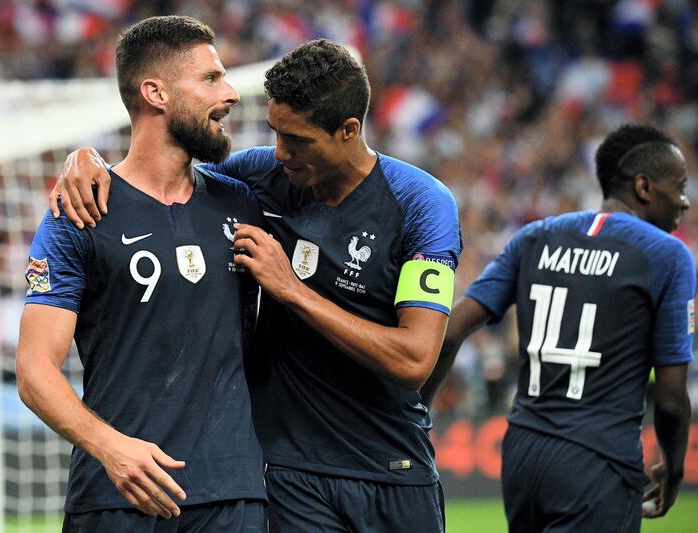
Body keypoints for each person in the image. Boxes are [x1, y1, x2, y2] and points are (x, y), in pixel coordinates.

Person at [49, 39, 462, 532]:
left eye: (299, 140)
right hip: (288, 473)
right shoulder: (261, 174)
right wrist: (88, 159)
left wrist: (290, 289)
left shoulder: (420, 204)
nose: (281, 152)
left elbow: (415, 359)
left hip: (392, 464)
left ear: (349, 130)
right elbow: (161, 172)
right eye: (276, 133)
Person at [17, 16, 266, 532]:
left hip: (231, 495)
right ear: (154, 92)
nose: (232, 93)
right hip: (116, 496)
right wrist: (112, 449)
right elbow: (35, 371)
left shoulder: (243, 199)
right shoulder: (81, 214)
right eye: (211, 79)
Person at [421, 123, 694, 532]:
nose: (685, 201)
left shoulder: (533, 237)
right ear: (644, 186)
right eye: (680, 185)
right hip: (598, 459)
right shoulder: (668, 255)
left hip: (522, 457)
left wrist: (414, 414)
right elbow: (671, 400)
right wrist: (674, 470)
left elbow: (450, 333)